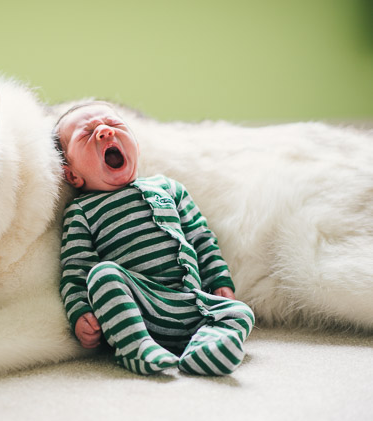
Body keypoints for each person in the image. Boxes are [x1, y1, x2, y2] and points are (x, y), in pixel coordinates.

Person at [55, 101, 254, 376]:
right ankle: (136, 347)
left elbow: (202, 238)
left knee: (240, 312)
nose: (104, 131)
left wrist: (219, 280)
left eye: (114, 124)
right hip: (138, 307)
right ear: (72, 175)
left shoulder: (169, 188)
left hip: (190, 301)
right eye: (86, 134)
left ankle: (204, 349)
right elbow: (76, 269)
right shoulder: (82, 210)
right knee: (103, 275)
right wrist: (80, 313)